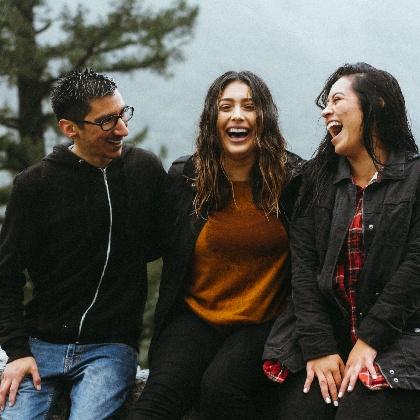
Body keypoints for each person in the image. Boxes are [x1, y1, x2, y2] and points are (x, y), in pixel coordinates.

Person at [129, 70, 303, 420]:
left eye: (249, 107)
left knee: (220, 391)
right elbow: (147, 246)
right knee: (154, 405)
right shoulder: (186, 178)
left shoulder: (293, 182)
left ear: (263, 117)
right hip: (198, 316)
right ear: (213, 119)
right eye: (226, 107)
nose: (237, 115)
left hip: (264, 322)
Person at [0, 68, 165, 419]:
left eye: (123, 114)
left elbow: (171, 243)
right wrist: (16, 352)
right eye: (107, 122)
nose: (123, 129)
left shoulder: (144, 170)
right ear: (69, 128)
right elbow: (7, 274)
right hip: (39, 344)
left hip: (110, 348)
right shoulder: (35, 186)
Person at [266, 62, 420, 420]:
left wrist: (370, 341)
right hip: (332, 340)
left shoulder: (415, 178)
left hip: (401, 339)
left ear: (377, 104)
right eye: (325, 104)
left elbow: (415, 267)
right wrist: (319, 348)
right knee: (299, 411)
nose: (326, 111)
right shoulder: (315, 183)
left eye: (337, 99)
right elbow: (302, 273)